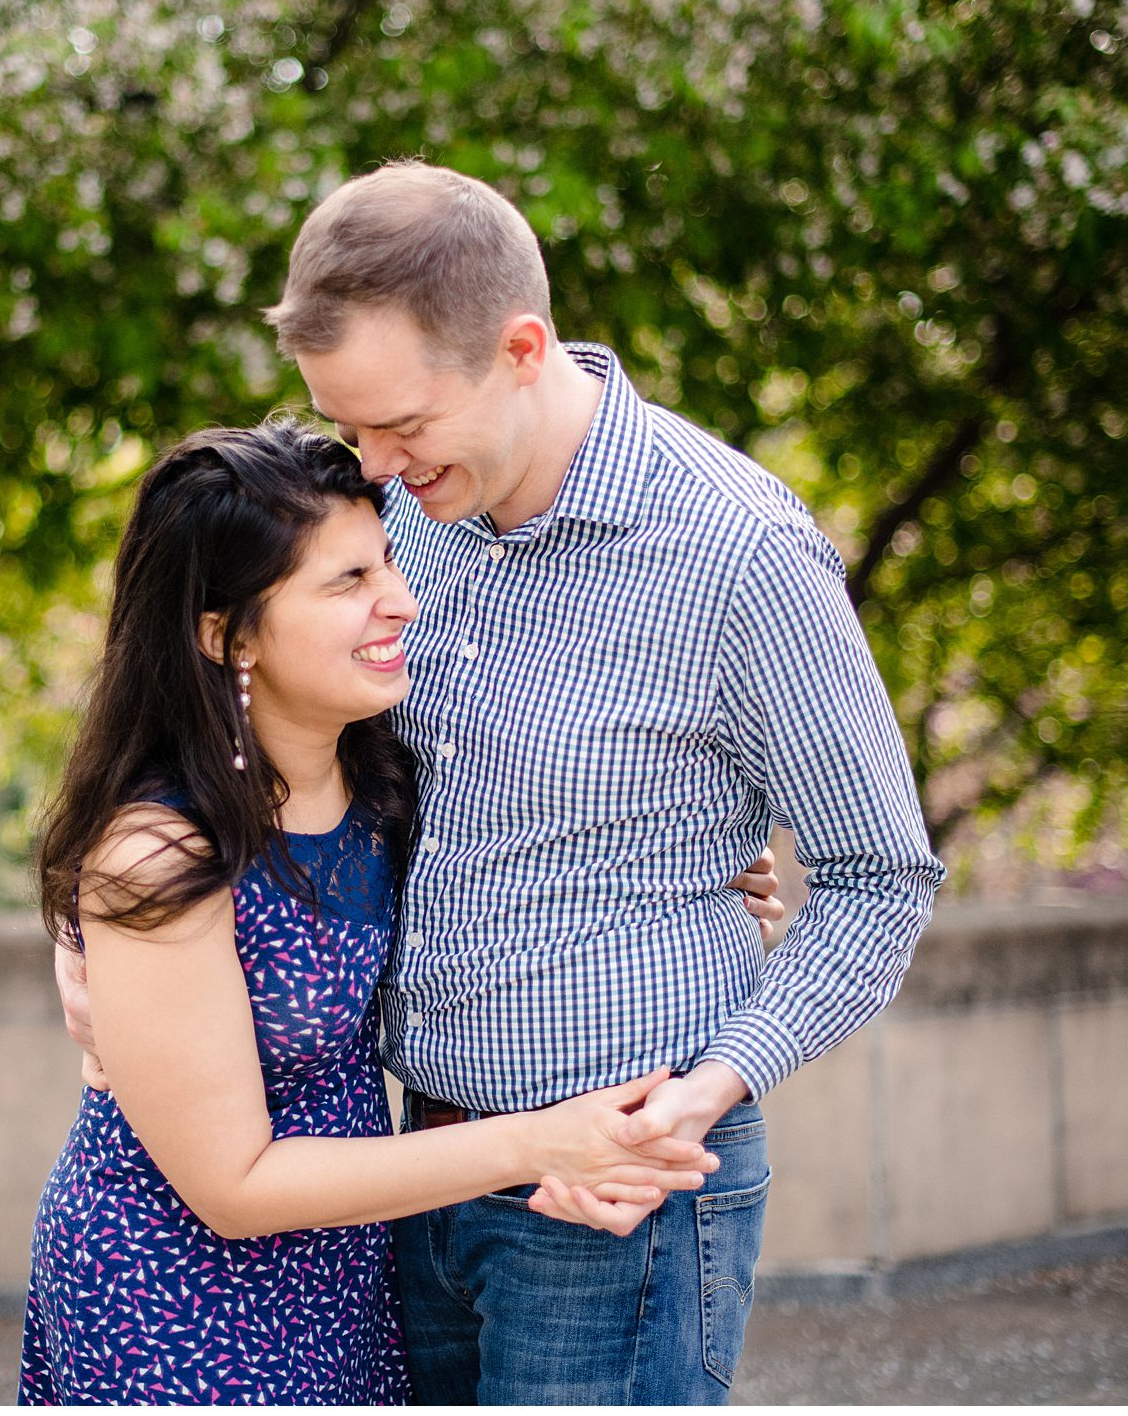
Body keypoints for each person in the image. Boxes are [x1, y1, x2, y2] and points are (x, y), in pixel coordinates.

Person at [59, 162, 946, 1402]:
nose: (371, 461)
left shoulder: (740, 555)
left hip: (612, 1187)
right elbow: (218, 708)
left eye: (401, 426)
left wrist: (703, 1089)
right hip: (396, 1161)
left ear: (521, 348)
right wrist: (93, 930)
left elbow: (882, 875)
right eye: (349, 424)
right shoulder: (392, 509)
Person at [16, 418, 727, 1406]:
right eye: (347, 581)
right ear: (225, 633)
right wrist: (535, 1140)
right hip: (177, 1290)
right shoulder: (161, 848)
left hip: (346, 1272)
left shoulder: (380, 776)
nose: (400, 599)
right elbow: (233, 1184)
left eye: (388, 560)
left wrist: (709, 881)